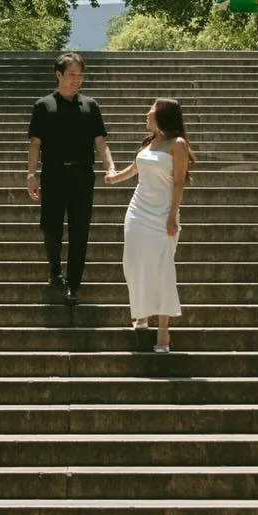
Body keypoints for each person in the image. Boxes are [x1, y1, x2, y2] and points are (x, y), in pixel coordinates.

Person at [25, 51, 115, 310]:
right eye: (72, 75)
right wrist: (31, 175)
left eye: (80, 75)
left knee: (80, 230)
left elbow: (101, 142)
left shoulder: (91, 106)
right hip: (53, 174)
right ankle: (55, 268)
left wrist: (110, 167)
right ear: (59, 74)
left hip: (82, 175)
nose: (77, 80)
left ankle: (73, 284)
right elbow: (35, 144)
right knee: (51, 227)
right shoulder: (43, 105)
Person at [105, 97, 195, 352]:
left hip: (162, 215)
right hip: (137, 213)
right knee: (133, 264)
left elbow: (178, 183)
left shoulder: (178, 145)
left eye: (151, 111)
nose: (146, 114)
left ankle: (163, 330)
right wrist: (114, 178)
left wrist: (171, 217)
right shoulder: (149, 143)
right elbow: (135, 169)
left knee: (162, 268)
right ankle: (141, 312)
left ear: (163, 116)